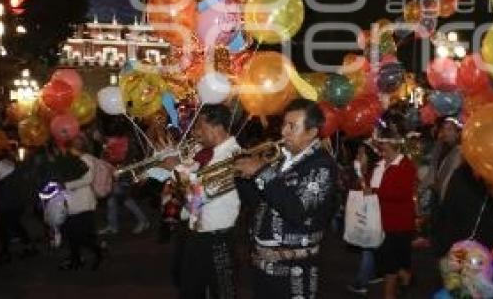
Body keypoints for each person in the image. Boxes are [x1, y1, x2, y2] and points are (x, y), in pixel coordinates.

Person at [234, 99, 338, 299]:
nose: (283, 132)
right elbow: (259, 202)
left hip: (295, 269)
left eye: (293, 126)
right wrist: (243, 176)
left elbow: (296, 211)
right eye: (284, 124)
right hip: (263, 266)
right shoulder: (282, 159)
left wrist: (261, 172)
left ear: (312, 132)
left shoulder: (321, 165)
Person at [168, 103, 241, 299]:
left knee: (223, 292)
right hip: (198, 233)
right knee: (190, 290)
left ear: (216, 127)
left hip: (218, 238)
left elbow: (204, 192)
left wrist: (178, 169)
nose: (196, 132)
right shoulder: (210, 154)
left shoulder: (232, 154)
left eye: (200, 127)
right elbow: (194, 200)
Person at [370, 123, 417, 299]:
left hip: (398, 224)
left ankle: (390, 294)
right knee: (386, 262)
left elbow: (401, 193)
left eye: (383, 145)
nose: (381, 148)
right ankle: (405, 276)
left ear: (393, 145)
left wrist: (374, 192)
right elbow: (371, 186)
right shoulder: (379, 164)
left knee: (389, 266)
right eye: (380, 145)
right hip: (379, 222)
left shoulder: (406, 166)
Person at [60, 136, 103, 270]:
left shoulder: (86, 159)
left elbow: (87, 179)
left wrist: (65, 185)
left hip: (83, 203)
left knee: (81, 235)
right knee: (71, 234)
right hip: (73, 202)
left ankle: (99, 252)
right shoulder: (76, 159)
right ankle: (75, 260)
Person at [346, 141, 381, 295]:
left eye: (362, 153)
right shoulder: (362, 170)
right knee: (370, 247)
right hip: (364, 214)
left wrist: (361, 177)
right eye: (357, 153)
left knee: (367, 247)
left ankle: (361, 283)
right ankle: (373, 274)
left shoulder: (375, 170)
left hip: (373, 214)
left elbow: (370, 191)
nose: (358, 156)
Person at [99, 133, 150, 235]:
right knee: (113, 201)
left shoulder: (127, 140)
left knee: (124, 199)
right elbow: (108, 155)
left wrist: (122, 167)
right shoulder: (113, 139)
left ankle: (143, 221)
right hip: (117, 174)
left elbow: (132, 157)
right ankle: (113, 226)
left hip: (125, 174)